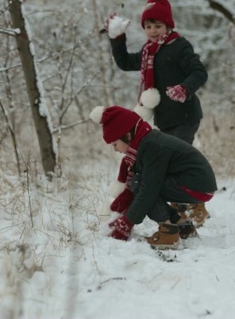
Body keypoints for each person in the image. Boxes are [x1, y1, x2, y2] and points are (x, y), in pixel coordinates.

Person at [103, 0, 211, 225]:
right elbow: (123, 62)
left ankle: (195, 208)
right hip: (164, 118)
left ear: (168, 26)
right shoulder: (147, 52)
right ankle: (180, 212)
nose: (153, 31)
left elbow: (199, 72)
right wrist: (117, 38)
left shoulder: (179, 46)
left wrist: (185, 88)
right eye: (148, 26)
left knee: (176, 160)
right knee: (168, 164)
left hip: (185, 114)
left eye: (158, 26)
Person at [90, 105, 217, 249]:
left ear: (128, 135)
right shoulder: (147, 142)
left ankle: (168, 233)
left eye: (115, 143)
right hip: (198, 183)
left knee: (141, 184)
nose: (115, 149)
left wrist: (127, 222)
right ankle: (182, 226)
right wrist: (121, 215)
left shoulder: (152, 146)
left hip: (197, 185)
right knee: (141, 182)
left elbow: (149, 189)